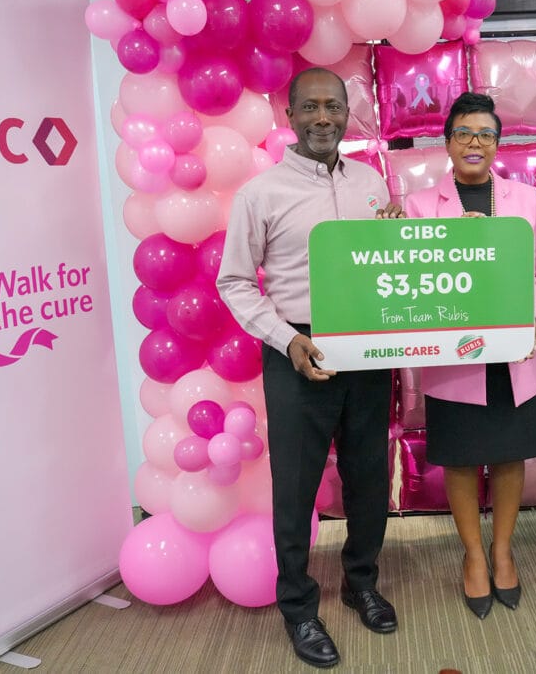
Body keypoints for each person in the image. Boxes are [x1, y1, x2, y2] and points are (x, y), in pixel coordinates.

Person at [217, 67, 405, 669]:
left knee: (368, 475)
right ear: (290, 115)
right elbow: (235, 282)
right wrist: (287, 340)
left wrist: (399, 238)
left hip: (368, 349)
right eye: (311, 107)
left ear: (348, 113)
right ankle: (299, 606)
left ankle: (360, 582)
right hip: (297, 349)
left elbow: (388, 268)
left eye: (334, 107)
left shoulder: (372, 183)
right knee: (296, 486)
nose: (323, 118)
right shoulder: (261, 194)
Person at [405, 92, 536, 620]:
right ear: (447, 142)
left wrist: (524, 319)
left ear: (498, 144)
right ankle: (473, 555)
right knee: (463, 457)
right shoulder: (419, 206)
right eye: (464, 133)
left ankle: (503, 550)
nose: (475, 142)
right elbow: (414, 282)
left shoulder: (527, 200)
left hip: (514, 353)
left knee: (511, 453)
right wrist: (451, 244)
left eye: (486, 134)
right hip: (456, 355)